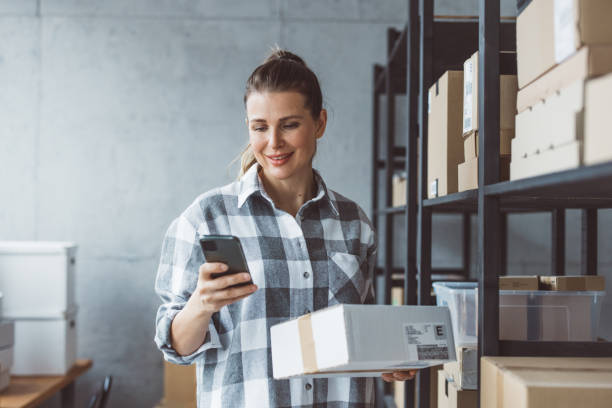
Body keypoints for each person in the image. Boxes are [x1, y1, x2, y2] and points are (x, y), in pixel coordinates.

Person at [154, 47, 416, 407]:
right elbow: (176, 349)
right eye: (260, 127)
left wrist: (385, 359)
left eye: (290, 124)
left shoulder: (354, 223)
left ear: (319, 123)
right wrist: (200, 306)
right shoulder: (205, 218)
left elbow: (359, 332)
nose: (273, 142)